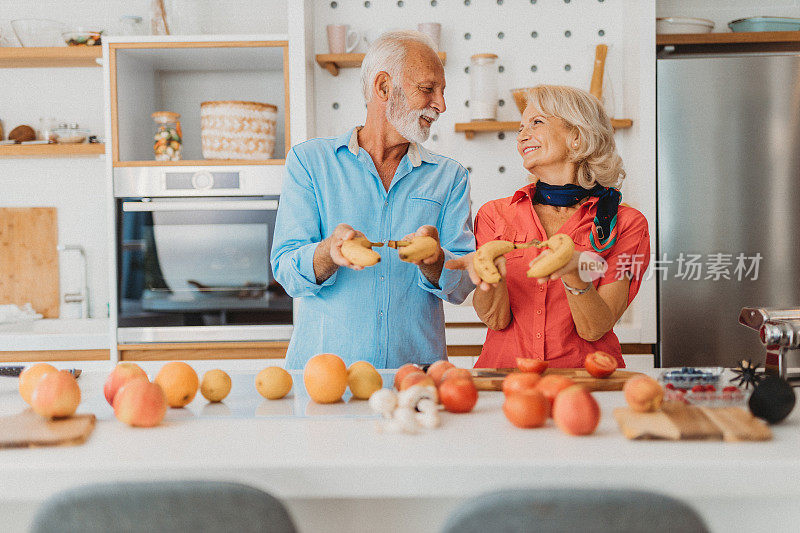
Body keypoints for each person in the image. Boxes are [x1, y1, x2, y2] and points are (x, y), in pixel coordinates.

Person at [271, 30, 474, 369]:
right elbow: (286, 271)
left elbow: (464, 282)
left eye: (442, 91)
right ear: (383, 87)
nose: (441, 104)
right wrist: (328, 252)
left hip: (417, 375)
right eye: (428, 89)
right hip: (326, 379)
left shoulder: (450, 177)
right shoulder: (310, 162)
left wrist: (434, 260)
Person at [446, 85, 650, 369]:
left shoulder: (625, 224)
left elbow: (595, 328)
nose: (522, 137)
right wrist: (490, 279)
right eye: (520, 129)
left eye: (536, 122)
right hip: (505, 380)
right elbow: (495, 319)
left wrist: (574, 274)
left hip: (586, 383)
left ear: (576, 137)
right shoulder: (495, 214)